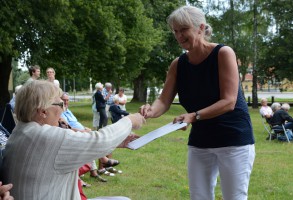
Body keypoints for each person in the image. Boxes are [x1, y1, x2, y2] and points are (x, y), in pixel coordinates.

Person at [139, 6, 255, 200]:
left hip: (233, 139)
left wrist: (193, 116)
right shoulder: (178, 64)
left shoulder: (223, 53)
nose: (179, 35)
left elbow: (228, 101)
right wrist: (150, 110)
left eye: (183, 29)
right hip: (201, 141)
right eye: (175, 31)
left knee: (234, 197)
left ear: (200, 28)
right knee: (198, 196)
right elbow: (163, 101)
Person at [0, 80, 145, 200]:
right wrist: (130, 120)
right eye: (60, 104)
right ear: (43, 111)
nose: (63, 110)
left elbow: (87, 145)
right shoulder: (44, 136)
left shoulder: (22, 132)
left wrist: (117, 142)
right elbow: (100, 140)